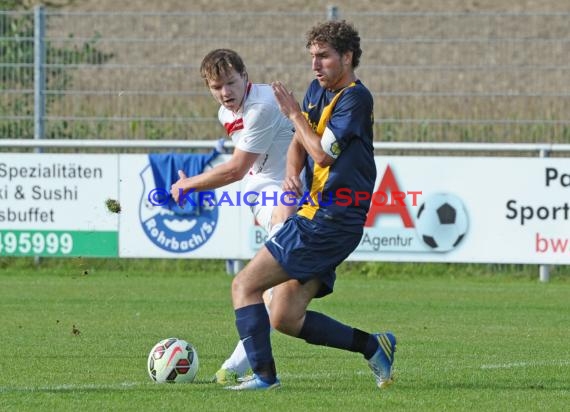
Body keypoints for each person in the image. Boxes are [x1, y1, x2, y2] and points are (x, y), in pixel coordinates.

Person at [226, 20, 396, 391]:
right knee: (284, 316)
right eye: (312, 57)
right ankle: (373, 345)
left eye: (324, 57)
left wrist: (294, 115)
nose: (315, 66)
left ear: (347, 57)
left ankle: (265, 378)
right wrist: (289, 182)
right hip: (317, 214)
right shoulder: (316, 91)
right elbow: (299, 144)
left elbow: (320, 153)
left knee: (244, 286)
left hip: (329, 218)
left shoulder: (354, 97)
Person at [170, 48, 296, 384]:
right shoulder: (226, 115)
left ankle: (241, 368)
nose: (225, 92)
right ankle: (372, 346)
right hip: (268, 200)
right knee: (280, 296)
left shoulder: (262, 107)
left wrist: (188, 185)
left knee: (269, 289)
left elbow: (236, 170)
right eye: (216, 87)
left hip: (289, 198)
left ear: (245, 76)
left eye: (230, 82)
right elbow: (252, 167)